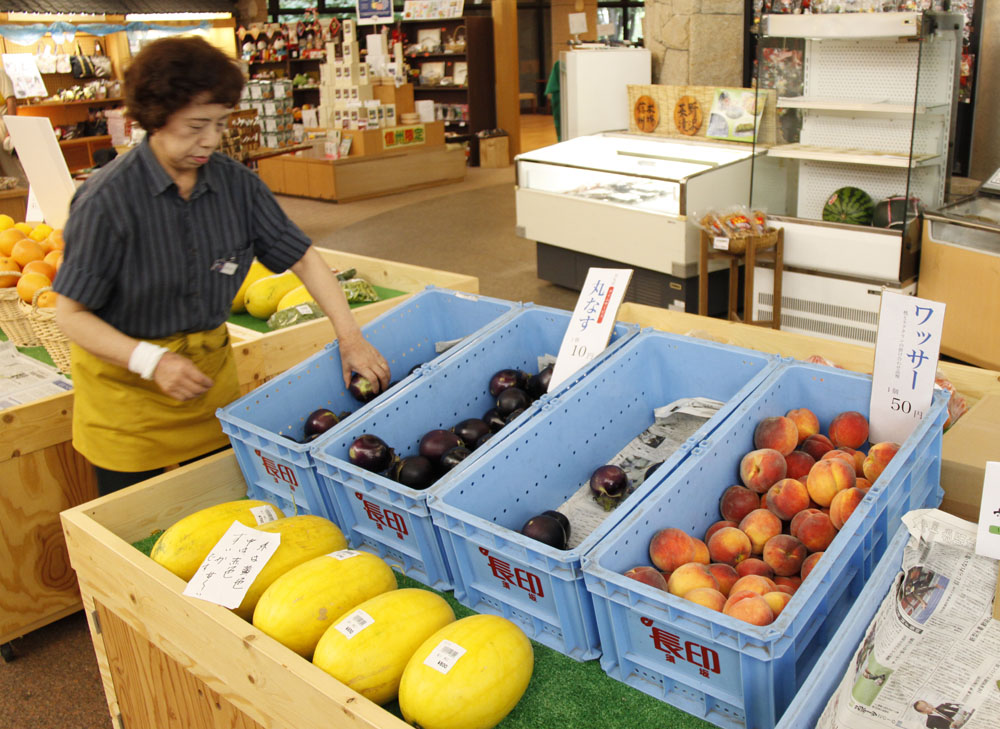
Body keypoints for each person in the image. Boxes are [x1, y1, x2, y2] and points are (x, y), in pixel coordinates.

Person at [54, 37, 390, 496]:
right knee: (132, 520)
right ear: (155, 117)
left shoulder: (237, 187)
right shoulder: (106, 201)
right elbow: (70, 315)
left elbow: (303, 258)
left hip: (207, 385)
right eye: (195, 126)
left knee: (225, 506)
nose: (211, 140)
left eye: (221, 123)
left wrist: (350, 337)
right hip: (125, 399)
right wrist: (151, 361)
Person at [0, 64, 26, 183]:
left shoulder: (1, 74)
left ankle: (24, 191)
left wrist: (11, 127)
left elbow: (11, 101)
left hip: (3, 124)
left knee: (10, 167)